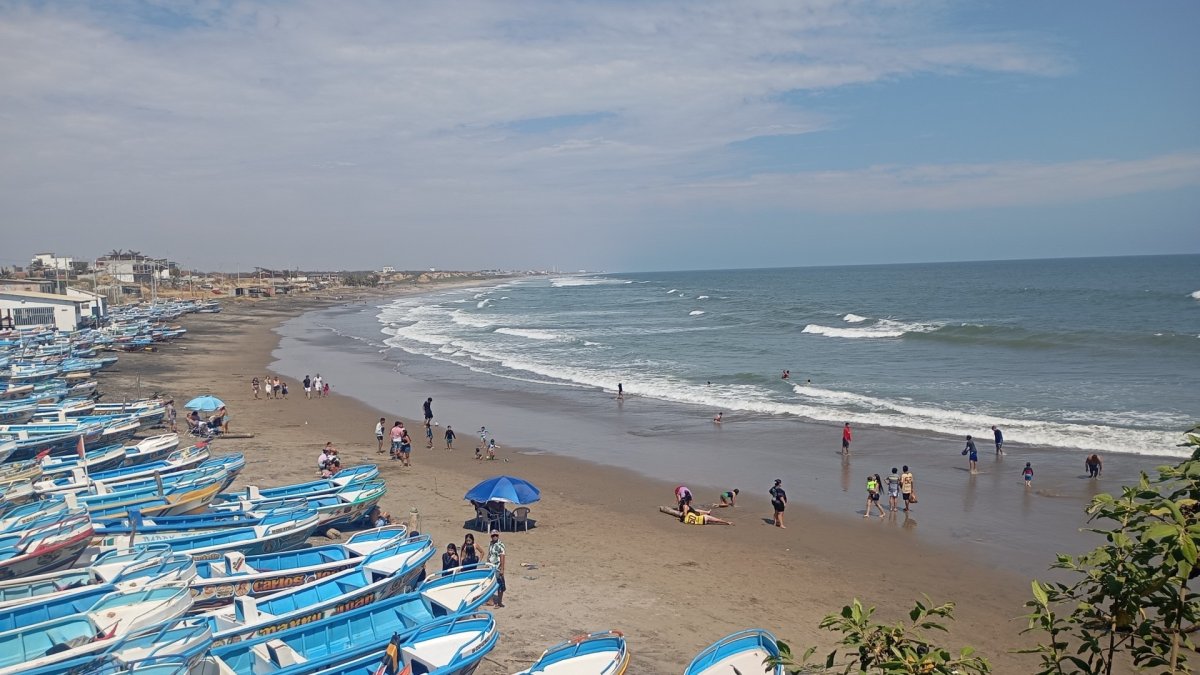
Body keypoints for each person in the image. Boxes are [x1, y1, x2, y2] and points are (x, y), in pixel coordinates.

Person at [486, 530, 506, 608]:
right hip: (491, 567)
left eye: (496, 535)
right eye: (493, 535)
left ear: (498, 536)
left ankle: (499, 602)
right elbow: (489, 554)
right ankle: (491, 601)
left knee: (500, 585)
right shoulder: (491, 544)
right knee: (490, 584)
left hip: (497, 567)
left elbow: (502, 557)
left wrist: (502, 569)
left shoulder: (500, 545)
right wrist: (487, 563)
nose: (494, 537)